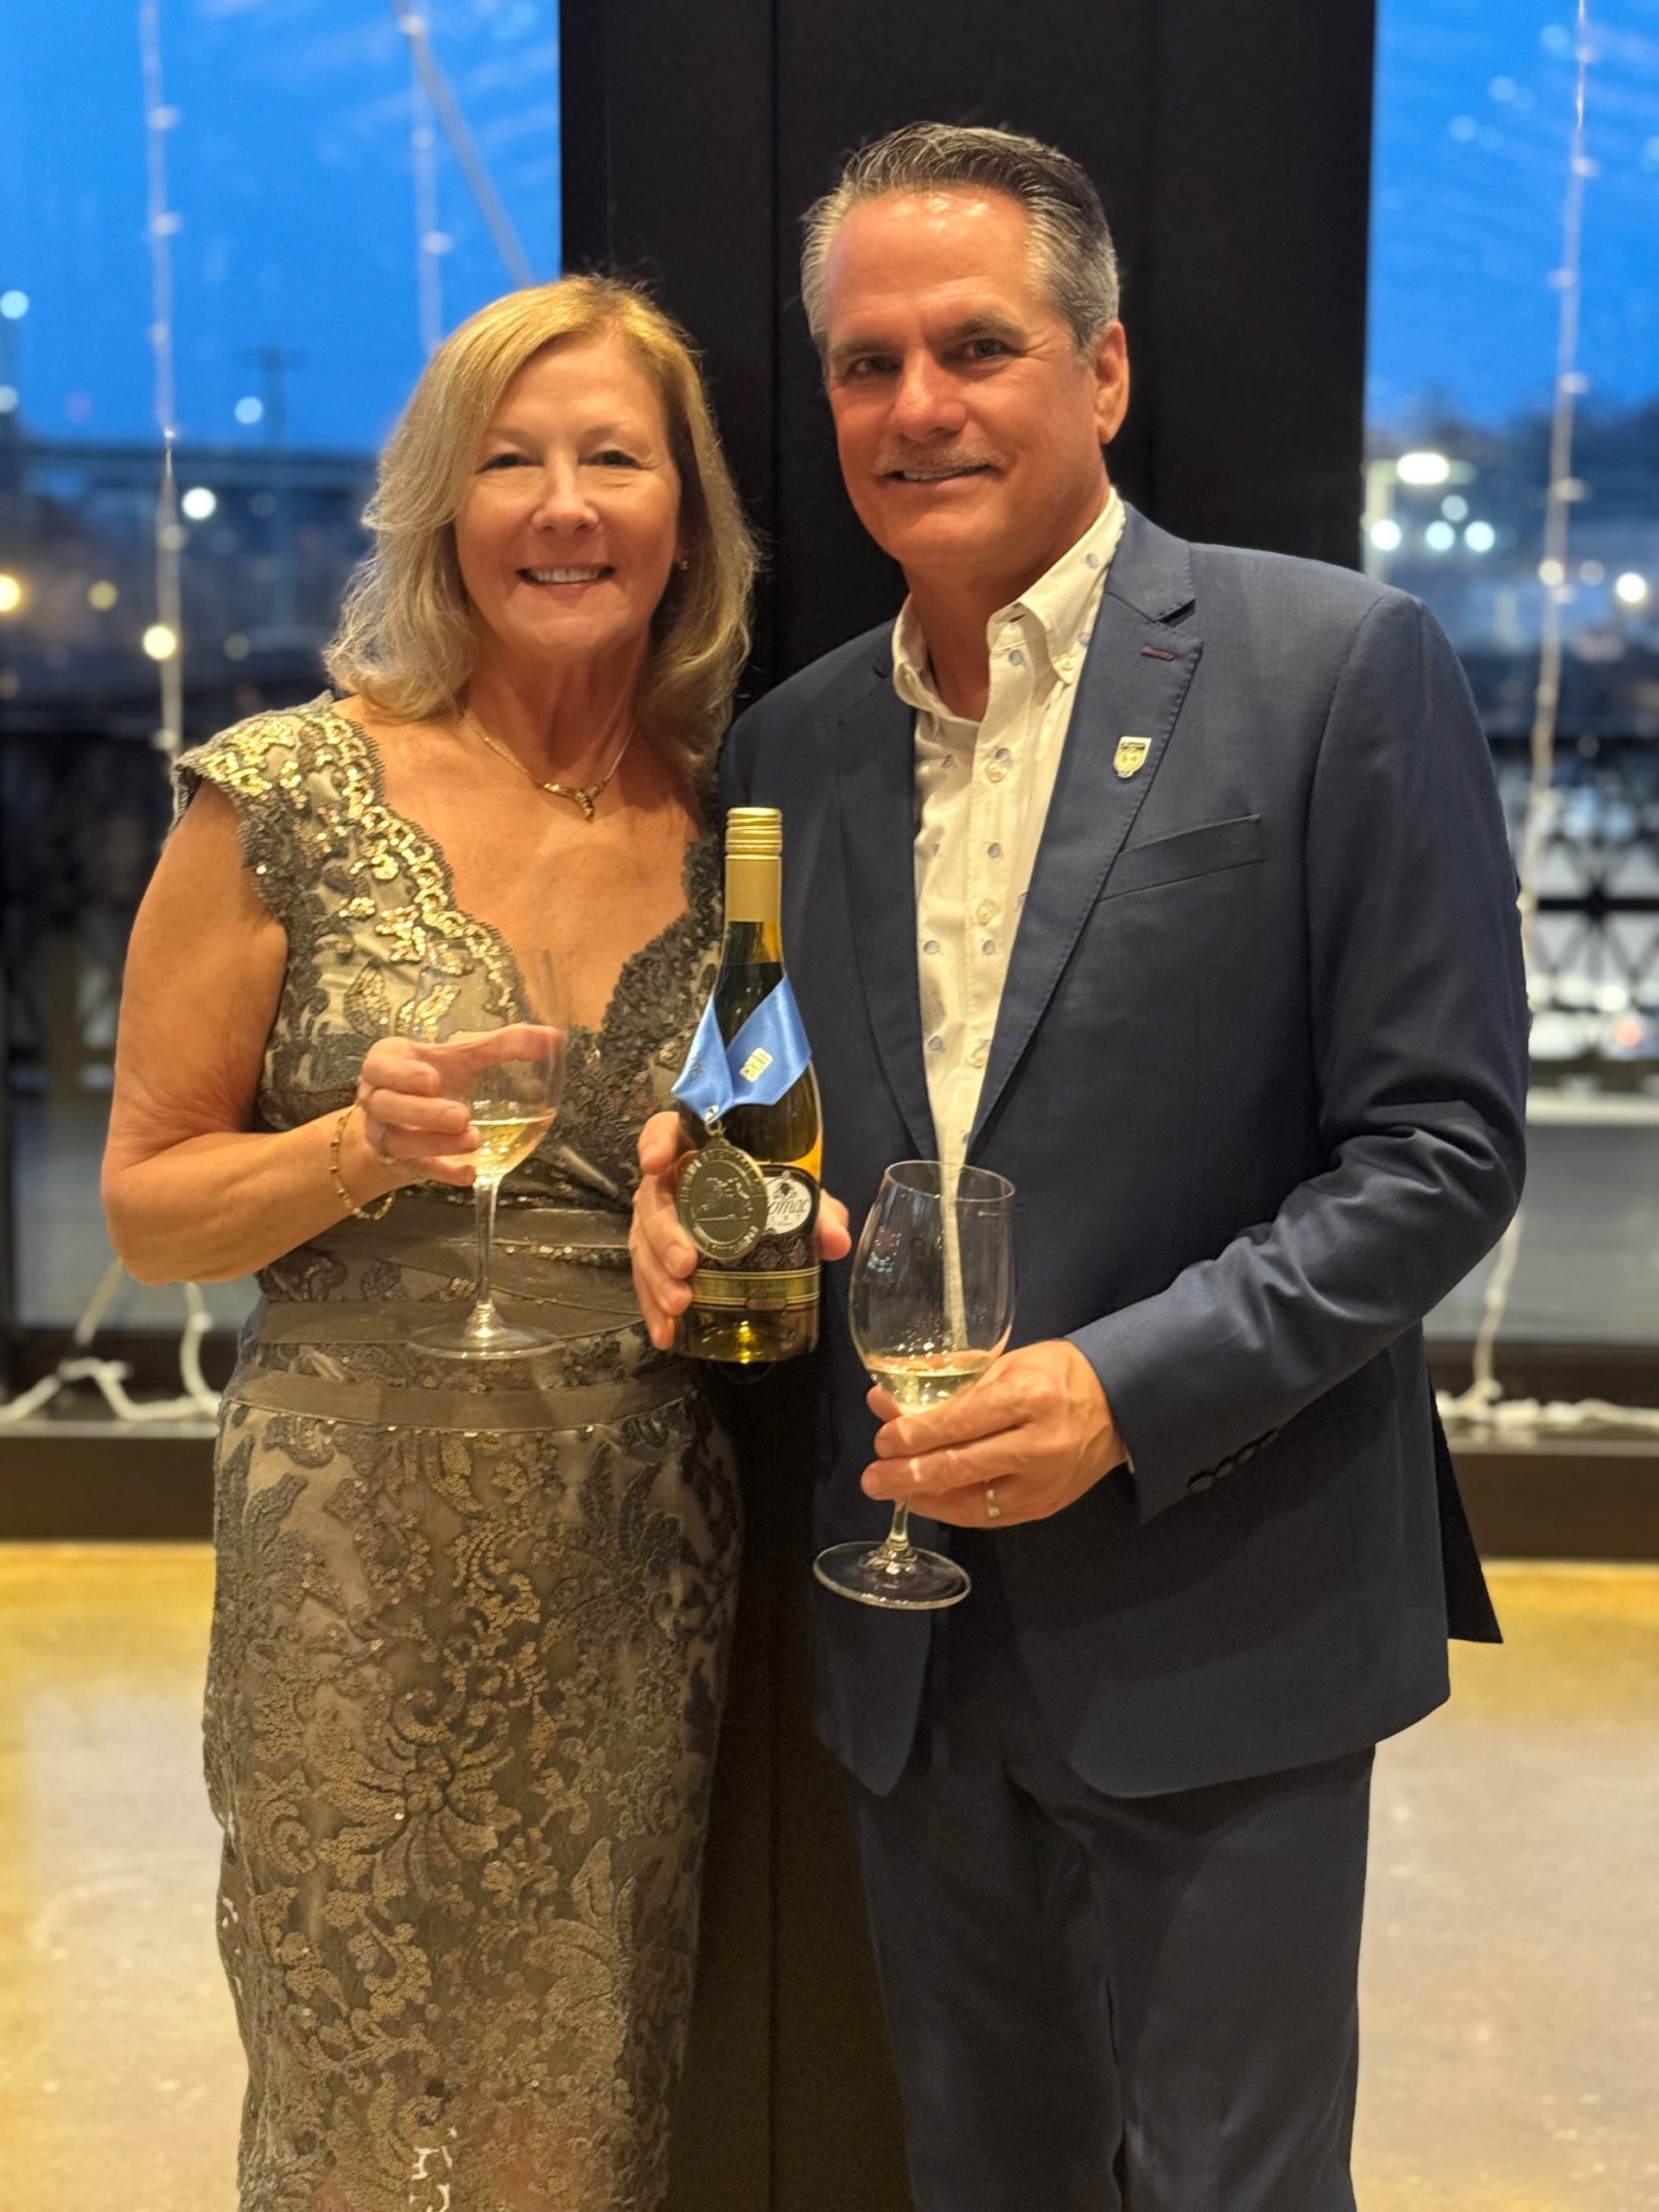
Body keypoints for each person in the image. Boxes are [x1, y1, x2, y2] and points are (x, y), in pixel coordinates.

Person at [631, 123, 1528, 2211]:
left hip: (1228, 1599)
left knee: (1233, 2187)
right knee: (984, 2172)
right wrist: (696, 1192)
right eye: (866, 364)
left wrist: (1121, 1389)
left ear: (1102, 371)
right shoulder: (791, 747)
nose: (916, 405)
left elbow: (1441, 1146)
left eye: (976, 346)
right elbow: (766, 1099)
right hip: (909, 1620)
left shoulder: (1336, 666)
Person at [103, 275, 756, 2212]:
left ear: (685, 514)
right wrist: (353, 1146)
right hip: (348, 1551)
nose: (563, 505)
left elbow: (757, 1150)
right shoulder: (284, 794)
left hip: (632, 1543)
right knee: (353, 2087)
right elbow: (147, 1205)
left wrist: (713, 1209)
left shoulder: (738, 823)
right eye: (508, 460)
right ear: (440, 509)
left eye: (613, 458)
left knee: (584, 2070)